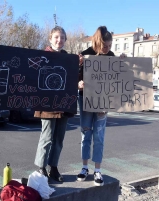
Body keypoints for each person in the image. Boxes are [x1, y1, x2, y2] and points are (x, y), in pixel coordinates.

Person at [34, 26, 74, 182]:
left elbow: (73, 79)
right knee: (47, 137)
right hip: (47, 104)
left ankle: (54, 167)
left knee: (59, 139)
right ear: (50, 39)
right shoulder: (42, 56)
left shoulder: (69, 59)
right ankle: (41, 167)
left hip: (64, 104)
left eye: (62, 38)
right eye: (57, 37)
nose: (60, 40)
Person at [76, 26, 115, 186]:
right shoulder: (85, 55)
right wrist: (79, 82)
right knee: (86, 135)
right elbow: (76, 77)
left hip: (102, 102)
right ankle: (85, 167)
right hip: (85, 99)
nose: (107, 49)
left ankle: (97, 170)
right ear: (98, 43)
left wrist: (124, 63)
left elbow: (116, 80)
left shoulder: (111, 56)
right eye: (105, 46)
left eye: (110, 46)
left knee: (99, 137)